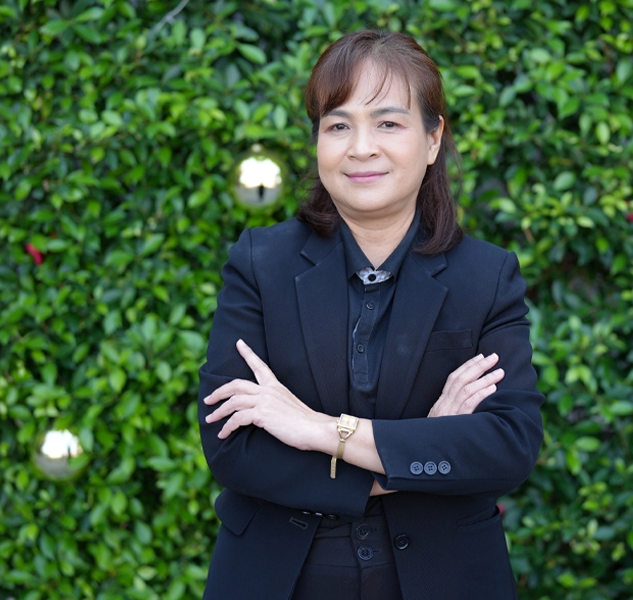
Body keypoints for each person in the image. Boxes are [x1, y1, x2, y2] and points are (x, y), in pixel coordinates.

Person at [197, 30, 544, 600]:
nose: (361, 148)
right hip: (278, 580)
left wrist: (320, 431)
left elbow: (507, 446)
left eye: (387, 123)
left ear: (432, 139)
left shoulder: (486, 276)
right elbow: (233, 447)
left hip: (446, 579)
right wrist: (423, 445)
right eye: (338, 126)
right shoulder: (261, 262)